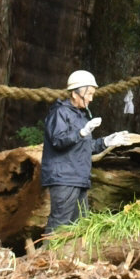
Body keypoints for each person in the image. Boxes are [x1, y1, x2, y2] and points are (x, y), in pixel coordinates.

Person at [40, 69, 104, 233]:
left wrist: (107, 142)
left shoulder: (81, 116)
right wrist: (81, 132)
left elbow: (86, 147)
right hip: (64, 177)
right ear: (75, 93)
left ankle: (68, 252)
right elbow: (57, 140)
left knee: (80, 226)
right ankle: (47, 250)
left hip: (79, 178)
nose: (91, 98)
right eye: (89, 94)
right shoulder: (60, 113)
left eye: (92, 94)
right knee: (59, 223)